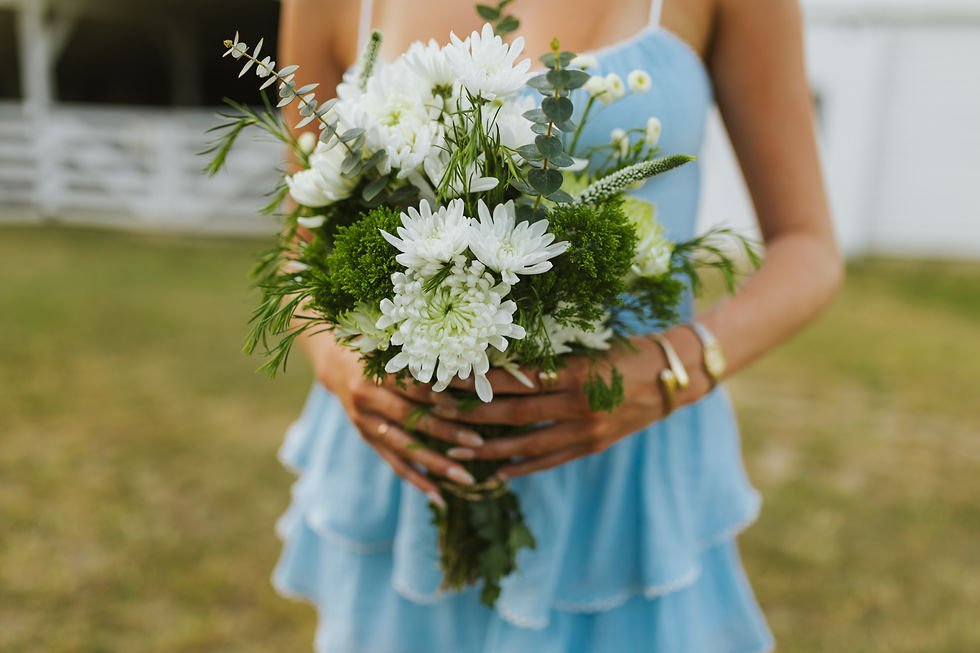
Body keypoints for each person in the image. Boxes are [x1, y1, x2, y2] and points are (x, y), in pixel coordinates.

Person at [273, 0, 842, 651]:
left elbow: (809, 247)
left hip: (622, 459)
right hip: (409, 459)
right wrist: (344, 366)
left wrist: (673, 367)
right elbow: (300, 236)